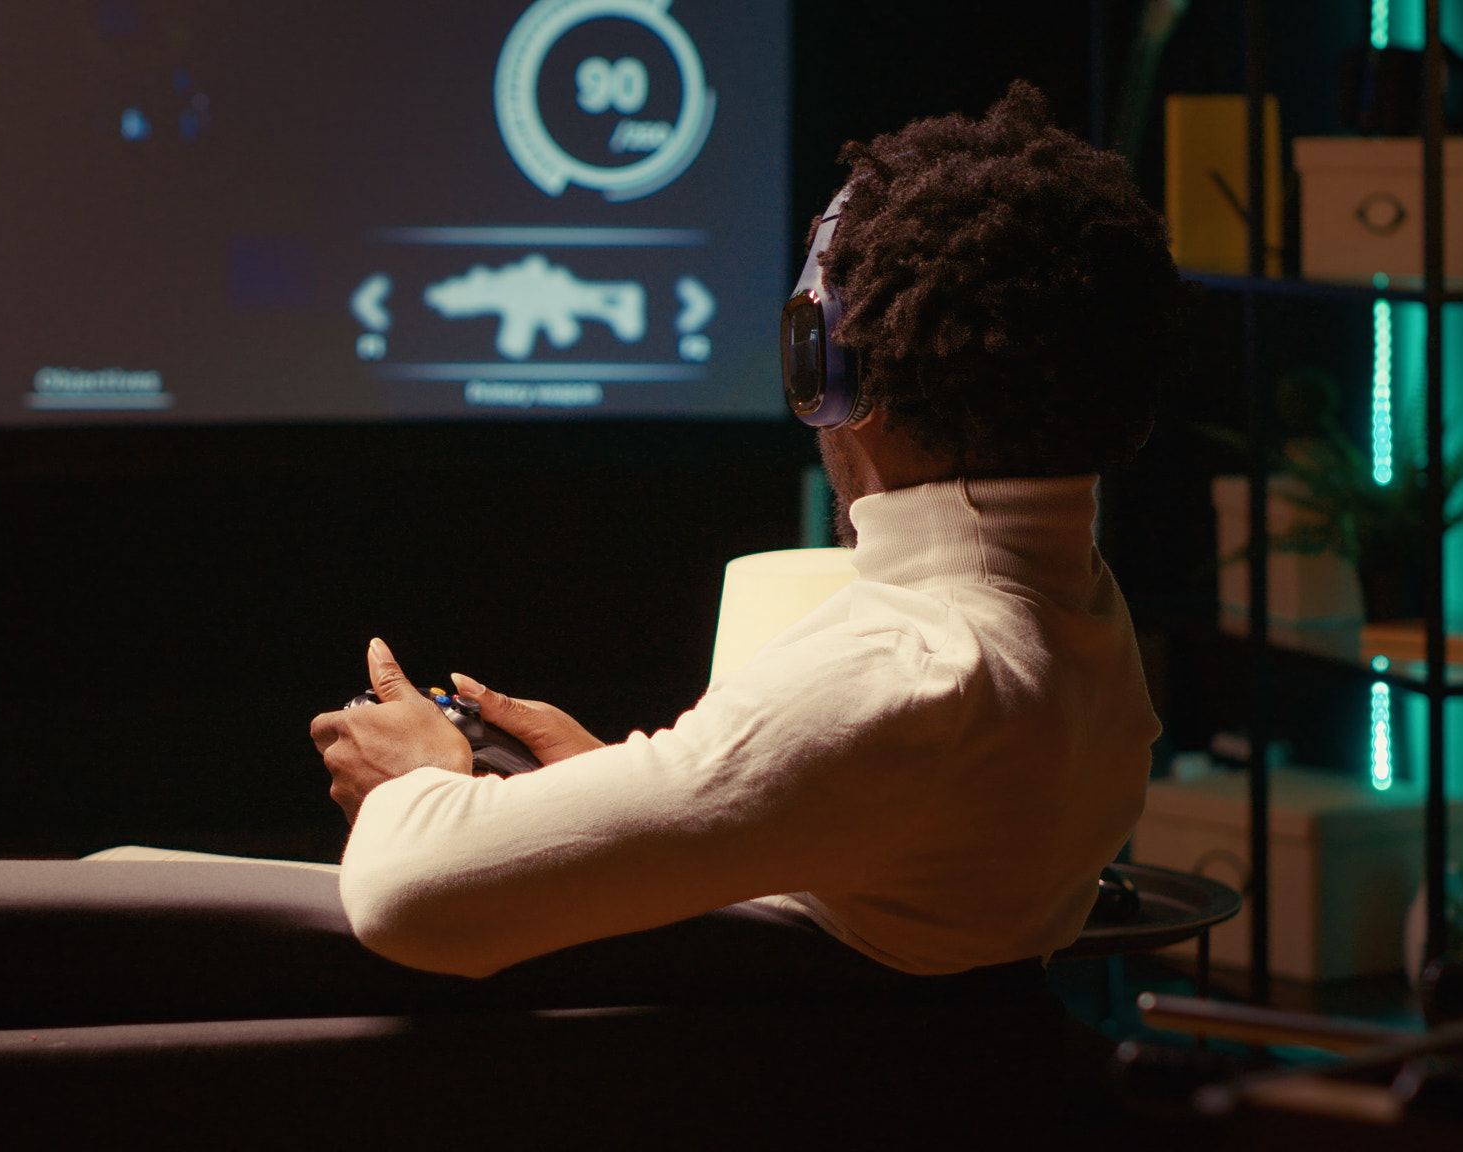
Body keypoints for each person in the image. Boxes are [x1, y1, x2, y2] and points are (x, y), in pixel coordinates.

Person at [308, 82, 1192, 981]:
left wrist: (417, 776)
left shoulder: (912, 676)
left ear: (832, 365)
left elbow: (405, 896)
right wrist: (616, 786)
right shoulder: (1083, 626)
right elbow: (876, 835)